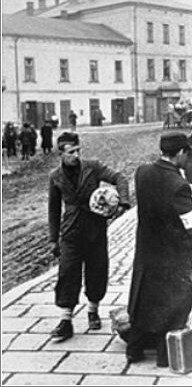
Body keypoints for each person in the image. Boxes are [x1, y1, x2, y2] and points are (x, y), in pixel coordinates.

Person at [126, 130, 192, 367]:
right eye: (187, 153)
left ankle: (134, 349)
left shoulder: (142, 173)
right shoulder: (178, 184)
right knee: (173, 304)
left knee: (144, 300)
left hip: (147, 251)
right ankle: (166, 355)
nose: (188, 158)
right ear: (180, 153)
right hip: (173, 256)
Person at [48, 132, 130, 341]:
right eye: (71, 152)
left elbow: (119, 177)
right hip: (70, 231)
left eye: (78, 151)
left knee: (97, 270)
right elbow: (54, 209)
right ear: (61, 154)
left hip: (95, 229)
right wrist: (53, 239)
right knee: (67, 272)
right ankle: (66, 321)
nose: (76, 155)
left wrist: (122, 203)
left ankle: (93, 310)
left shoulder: (92, 167)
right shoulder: (55, 176)